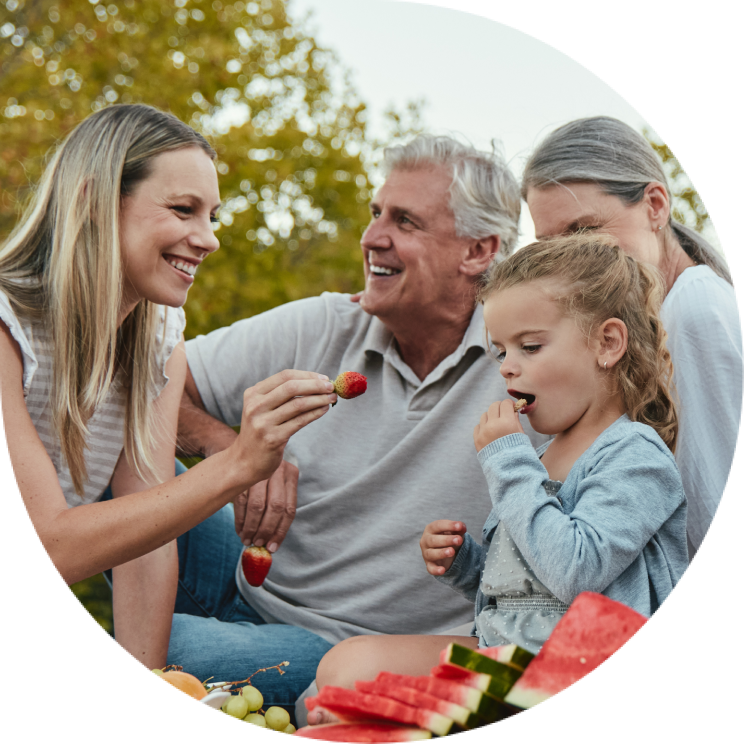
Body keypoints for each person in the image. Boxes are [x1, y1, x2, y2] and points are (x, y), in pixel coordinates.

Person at [175, 135, 552, 715]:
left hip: (339, 646)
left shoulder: (530, 368)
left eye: (404, 221)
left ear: (478, 251)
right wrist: (231, 452)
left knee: (160, 643)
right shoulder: (327, 323)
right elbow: (156, 382)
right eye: (377, 213)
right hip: (245, 568)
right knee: (94, 451)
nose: (372, 237)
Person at [0, 104, 334, 673]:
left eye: (212, 215)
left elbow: (150, 534)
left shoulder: (156, 333)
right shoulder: (7, 326)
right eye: (183, 210)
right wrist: (236, 463)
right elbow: (51, 545)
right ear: (92, 203)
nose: (208, 240)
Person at [311, 233, 689, 701]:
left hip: (571, 663)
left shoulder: (634, 454)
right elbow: (521, 590)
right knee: (337, 673)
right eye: (500, 351)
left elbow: (576, 572)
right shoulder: (540, 455)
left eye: (529, 347)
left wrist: (509, 460)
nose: (507, 367)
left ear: (607, 343)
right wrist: (465, 564)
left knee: (346, 680)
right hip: (510, 653)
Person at [521, 116, 742, 561]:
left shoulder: (693, 309)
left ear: (655, 205)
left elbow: (709, 500)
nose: (568, 260)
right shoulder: (633, 325)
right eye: (549, 245)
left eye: (583, 230)